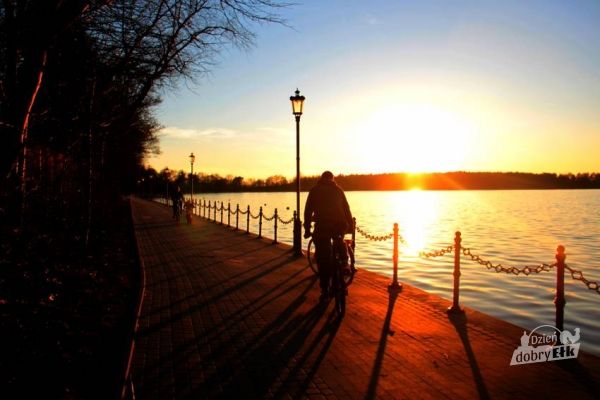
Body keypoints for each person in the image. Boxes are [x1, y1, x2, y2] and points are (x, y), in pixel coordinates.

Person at [304, 171, 354, 302]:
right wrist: (351, 226)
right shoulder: (338, 190)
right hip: (339, 225)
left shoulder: (314, 190)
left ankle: (325, 290)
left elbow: (308, 211)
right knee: (339, 239)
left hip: (322, 226)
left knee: (323, 259)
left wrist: (307, 229)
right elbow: (346, 209)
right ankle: (344, 262)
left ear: (321, 179)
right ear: (332, 179)